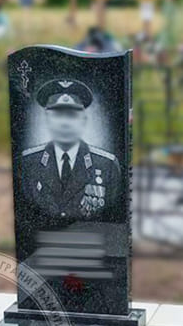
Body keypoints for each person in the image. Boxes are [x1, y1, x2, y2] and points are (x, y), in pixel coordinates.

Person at [19, 78, 121, 221]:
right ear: (47, 119)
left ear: (83, 120)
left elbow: (112, 214)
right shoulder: (28, 163)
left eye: (72, 115)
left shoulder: (107, 165)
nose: (65, 122)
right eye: (57, 114)